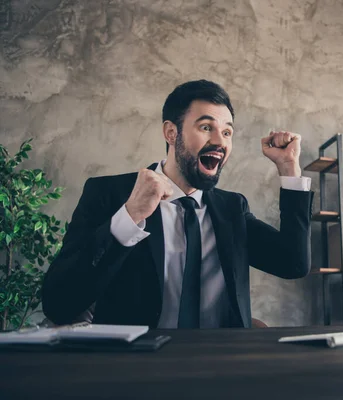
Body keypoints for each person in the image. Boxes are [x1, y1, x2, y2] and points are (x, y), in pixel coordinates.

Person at [42, 80, 313, 329]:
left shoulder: (232, 209)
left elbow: (293, 263)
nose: (219, 141)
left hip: (220, 369)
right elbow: (59, 304)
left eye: (227, 132)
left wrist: (289, 169)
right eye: (206, 127)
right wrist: (130, 214)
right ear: (171, 133)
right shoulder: (110, 194)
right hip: (136, 369)